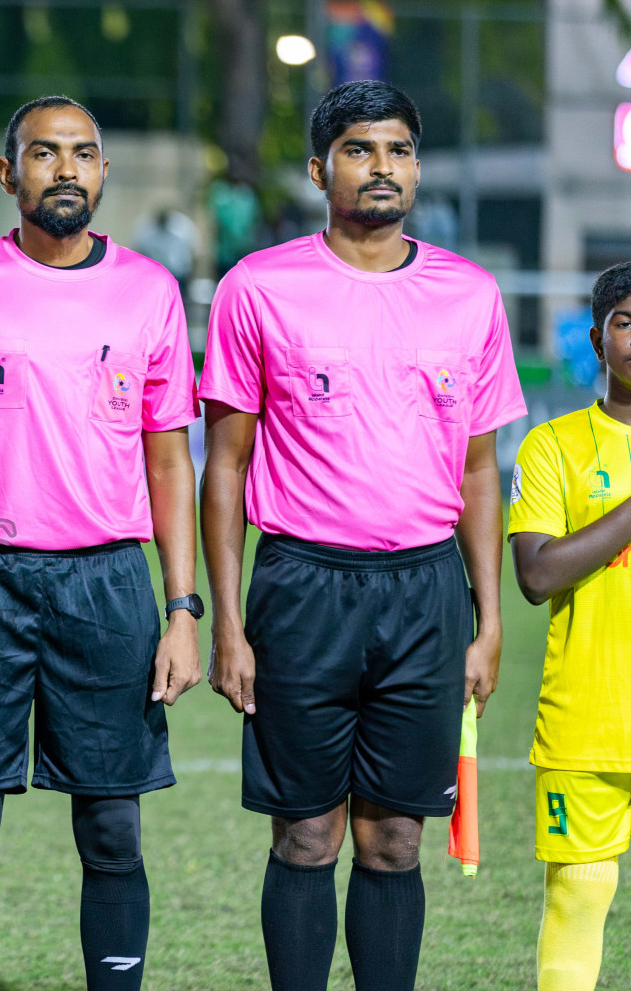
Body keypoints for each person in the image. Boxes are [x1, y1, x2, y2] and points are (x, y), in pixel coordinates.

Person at [199, 80, 527, 991]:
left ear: (417, 168)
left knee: (395, 838)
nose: (380, 166)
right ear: (319, 169)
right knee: (307, 833)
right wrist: (228, 622)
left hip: (425, 593)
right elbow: (223, 466)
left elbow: (477, 471)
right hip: (301, 585)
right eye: (358, 149)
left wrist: (487, 621)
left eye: (397, 150)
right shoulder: (258, 288)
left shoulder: (470, 294)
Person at [0, 95, 202, 990]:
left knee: (111, 825)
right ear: (8, 172)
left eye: (84, 154)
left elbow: (170, 464)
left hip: (109, 583)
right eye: (45, 153)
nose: (66, 169)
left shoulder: (150, 290)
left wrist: (182, 611)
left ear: (102, 171)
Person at [509, 263, 631, 991]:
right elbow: (537, 574)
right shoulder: (552, 446)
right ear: (597, 338)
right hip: (587, 717)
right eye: (627, 323)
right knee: (580, 894)